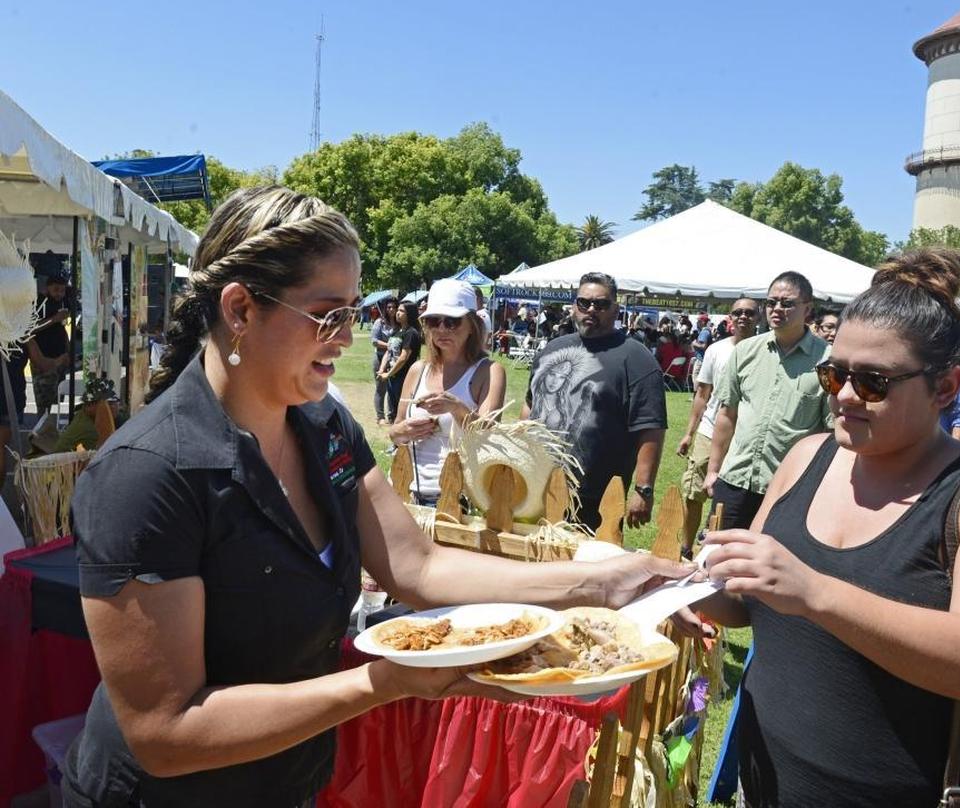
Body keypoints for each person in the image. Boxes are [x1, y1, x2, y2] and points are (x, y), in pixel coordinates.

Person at [62, 186, 686, 807]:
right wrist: (381, 685)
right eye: (327, 315)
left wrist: (598, 584)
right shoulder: (147, 474)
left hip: (288, 781)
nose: (347, 338)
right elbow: (165, 734)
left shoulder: (324, 428)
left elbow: (418, 565)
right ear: (241, 309)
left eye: (353, 313)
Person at [679, 248, 960, 806]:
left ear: (946, 389)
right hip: (770, 778)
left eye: (873, 382)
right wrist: (687, 587)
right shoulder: (807, 456)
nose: (845, 396)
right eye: (834, 374)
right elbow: (752, 600)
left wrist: (814, 591)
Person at [522, 272, 666, 530]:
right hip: (536, 485)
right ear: (574, 306)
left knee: (586, 568)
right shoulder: (552, 349)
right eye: (583, 302)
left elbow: (651, 428)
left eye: (600, 304)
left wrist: (643, 490)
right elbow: (531, 404)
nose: (591, 309)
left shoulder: (636, 359)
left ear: (615, 309)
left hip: (594, 497)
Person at [702, 272, 830, 529]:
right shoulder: (745, 351)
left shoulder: (827, 361)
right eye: (771, 302)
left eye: (787, 303)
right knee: (716, 558)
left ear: (808, 309)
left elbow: (830, 434)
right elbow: (727, 414)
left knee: (768, 564)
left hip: (789, 488)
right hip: (735, 480)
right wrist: (713, 470)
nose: (777, 309)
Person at [389, 279, 506, 506]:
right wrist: (402, 431)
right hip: (403, 490)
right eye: (434, 321)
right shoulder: (418, 370)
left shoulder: (489, 371)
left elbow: (488, 437)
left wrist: (456, 408)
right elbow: (395, 432)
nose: (441, 329)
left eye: (452, 321)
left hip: (454, 497)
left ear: (472, 324)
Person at [677, 297, 759, 547]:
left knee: (729, 497)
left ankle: (714, 547)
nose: (743, 317)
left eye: (749, 313)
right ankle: (686, 548)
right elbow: (702, 394)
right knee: (694, 492)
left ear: (759, 317)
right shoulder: (716, 350)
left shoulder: (766, 350)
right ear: (730, 318)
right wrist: (689, 433)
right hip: (709, 430)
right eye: (737, 313)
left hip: (744, 438)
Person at [31, 274, 71, 416]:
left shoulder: (62, 303)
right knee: (44, 403)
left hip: (60, 357)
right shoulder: (38, 303)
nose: (59, 294)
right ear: (47, 288)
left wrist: (68, 349)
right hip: (43, 359)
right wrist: (53, 319)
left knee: (58, 400)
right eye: (56, 290)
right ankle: (41, 433)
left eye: (62, 290)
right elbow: (31, 328)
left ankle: (53, 431)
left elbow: (62, 329)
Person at [377, 299, 422, 426]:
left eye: (402, 311)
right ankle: (395, 443)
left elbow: (404, 357)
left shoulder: (411, 333)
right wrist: (382, 369)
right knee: (392, 412)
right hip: (393, 376)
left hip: (403, 378)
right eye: (399, 310)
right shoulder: (397, 331)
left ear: (410, 314)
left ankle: (402, 444)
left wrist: (389, 374)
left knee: (402, 412)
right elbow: (389, 351)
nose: (397, 313)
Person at [53, 374, 122, 453]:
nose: (115, 407)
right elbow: (104, 454)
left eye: (115, 402)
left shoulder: (83, 415)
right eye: (109, 404)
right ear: (90, 405)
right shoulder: (90, 430)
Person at [0, 343, 29, 486]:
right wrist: (60, 360)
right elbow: (42, 363)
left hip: (10, 399)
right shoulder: (23, 337)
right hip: (11, 399)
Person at [370, 300, 395, 425]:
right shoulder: (379, 322)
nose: (391, 309)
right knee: (381, 388)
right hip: (380, 358)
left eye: (394, 307)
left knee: (392, 388)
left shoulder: (398, 324)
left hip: (394, 359)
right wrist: (389, 345)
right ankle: (380, 416)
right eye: (389, 307)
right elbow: (374, 341)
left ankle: (392, 415)